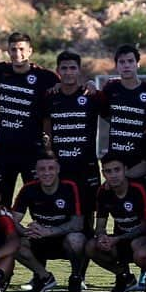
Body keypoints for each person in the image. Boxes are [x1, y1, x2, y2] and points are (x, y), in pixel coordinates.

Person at [0, 32, 59, 202]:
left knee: (37, 197)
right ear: (8, 51)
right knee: (1, 198)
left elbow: (63, 86)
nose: (17, 54)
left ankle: (41, 227)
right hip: (5, 148)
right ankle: (4, 228)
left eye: (21, 49)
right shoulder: (0, 71)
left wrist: (89, 84)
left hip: (32, 150)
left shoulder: (45, 77)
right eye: (13, 49)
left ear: (30, 51)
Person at [42, 50, 104, 225]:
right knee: (59, 212)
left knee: (88, 215)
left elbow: (109, 113)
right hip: (60, 166)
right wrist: (49, 153)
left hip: (86, 166)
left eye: (72, 68)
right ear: (58, 70)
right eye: (64, 68)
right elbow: (47, 130)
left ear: (79, 70)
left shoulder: (91, 96)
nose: (68, 72)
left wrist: (92, 84)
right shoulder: (50, 96)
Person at [10, 151, 84, 292]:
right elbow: (12, 220)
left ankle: (76, 277)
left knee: (77, 239)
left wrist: (49, 231)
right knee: (14, 243)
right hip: (39, 238)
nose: (46, 173)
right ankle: (44, 276)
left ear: (58, 169)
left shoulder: (70, 187)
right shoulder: (28, 188)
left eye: (51, 168)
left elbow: (78, 224)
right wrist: (26, 231)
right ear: (36, 171)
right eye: (42, 169)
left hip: (64, 239)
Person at [86, 153, 146, 292]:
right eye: (108, 171)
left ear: (125, 170)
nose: (113, 175)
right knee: (91, 246)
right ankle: (125, 277)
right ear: (103, 173)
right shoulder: (103, 192)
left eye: (117, 170)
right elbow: (100, 225)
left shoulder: (138, 190)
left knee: (137, 246)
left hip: (144, 240)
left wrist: (117, 239)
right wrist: (102, 237)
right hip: (121, 240)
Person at [99, 44, 146, 168]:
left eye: (130, 61)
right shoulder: (110, 88)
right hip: (116, 156)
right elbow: (104, 114)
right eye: (122, 62)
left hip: (142, 158)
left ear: (138, 64)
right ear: (116, 66)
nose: (126, 65)